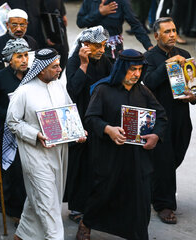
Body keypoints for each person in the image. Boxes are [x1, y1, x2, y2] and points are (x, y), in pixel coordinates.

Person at [76, 49, 167, 240]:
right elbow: (91, 117)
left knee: (139, 197)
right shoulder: (103, 90)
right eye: (132, 69)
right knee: (103, 192)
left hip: (137, 157)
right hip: (109, 155)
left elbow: (161, 116)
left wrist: (156, 136)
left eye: (140, 70)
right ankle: (87, 223)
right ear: (122, 69)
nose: (136, 74)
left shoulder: (143, 92)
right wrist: (108, 129)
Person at [6, 48, 85, 240]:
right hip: (35, 154)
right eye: (55, 67)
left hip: (58, 152)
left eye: (59, 66)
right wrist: (35, 134)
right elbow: (12, 122)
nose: (59, 70)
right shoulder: (23, 92)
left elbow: (68, 113)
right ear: (41, 70)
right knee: (48, 204)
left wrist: (78, 131)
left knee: (41, 199)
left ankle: (22, 235)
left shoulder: (58, 86)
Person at [143, 17, 196, 225]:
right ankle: (164, 204)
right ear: (157, 36)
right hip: (161, 118)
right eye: (167, 32)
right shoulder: (149, 57)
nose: (172, 34)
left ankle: (154, 187)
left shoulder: (184, 55)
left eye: (174, 30)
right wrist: (167, 65)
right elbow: (148, 82)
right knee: (164, 161)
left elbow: (192, 86)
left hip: (182, 117)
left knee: (177, 155)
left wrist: (193, 96)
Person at [64, 26, 112, 223]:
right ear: (85, 46)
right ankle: (77, 207)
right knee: (80, 166)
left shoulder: (105, 61)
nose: (101, 50)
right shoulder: (75, 61)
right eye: (96, 46)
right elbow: (73, 90)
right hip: (80, 120)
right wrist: (84, 65)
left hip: (98, 119)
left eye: (103, 46)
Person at [0, 38, 30, 224]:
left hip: (28, 130)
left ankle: (8, 202)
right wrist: (8, 114)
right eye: (19, 56)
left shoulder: (31, 76)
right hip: (7, 132)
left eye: (26, 55)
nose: (24, 60)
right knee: (12, 171)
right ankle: (13, 210)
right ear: (9, 59)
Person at [77, 0, 153, 61]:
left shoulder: (121, 2)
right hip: (92, 49)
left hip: (113, 51)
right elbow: (80, 22)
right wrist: (99, 13)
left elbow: (135, 25)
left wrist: (149, 46)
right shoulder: (89, 2)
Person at [0, 9, 38, 75]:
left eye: (22, 25)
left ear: (27, 24)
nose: (18, 29)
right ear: (7, 25)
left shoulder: (31, 42)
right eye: (14, 25)